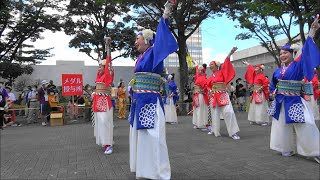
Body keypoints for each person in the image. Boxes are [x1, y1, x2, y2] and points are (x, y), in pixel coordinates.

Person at [129, 1, 178, 179]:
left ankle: (160, 172)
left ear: (148, 40)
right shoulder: (141, 56)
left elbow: (162, 36)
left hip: (150, 99)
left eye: (138, 38)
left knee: (154, 135)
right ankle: (145, 170)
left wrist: (166, 13)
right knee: (141, 135)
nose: (136, 42)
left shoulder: (154, 52)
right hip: (139, 100)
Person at [268, 14, 320, 163]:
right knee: (280, 125)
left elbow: (305, 50)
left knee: (305, 123)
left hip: (295, 100)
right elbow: (273, 84)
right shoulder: (277, 71)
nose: (282, 55)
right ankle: (285, 148)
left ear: (292, 54)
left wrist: (312, 31)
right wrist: (273, 92)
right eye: (280, 54)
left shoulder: (298, 64)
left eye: (285, 53)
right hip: (280, 100)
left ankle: (313, 150)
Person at [206, 47, 240, 140]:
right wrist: (209, 90)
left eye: (212, 64)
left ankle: (233, 132)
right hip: (214, 95)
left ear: (216, 65)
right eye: (210, 64)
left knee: (228, 112)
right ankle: (215, 130)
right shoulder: (210, 77)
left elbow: (226, 63)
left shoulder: (221, 72)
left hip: (222, 94)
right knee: (214, 114)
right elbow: (208, 86)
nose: (210, 65)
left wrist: (230, 53)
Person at [92, 37, 114, 155]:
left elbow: (108, 61)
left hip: (105, 102)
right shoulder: (98, 76)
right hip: (97, 102)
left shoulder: (107, 75)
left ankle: (108, 144)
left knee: (105, 122)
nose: (99, 68)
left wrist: (107, 46)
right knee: (100, 123)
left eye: (101, 66)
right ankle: (104, 142)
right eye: (99, 66)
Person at [191, 62, 209, 129]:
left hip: (200, 95)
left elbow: (206, 87)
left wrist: (202, 90)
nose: (198, 71)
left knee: (200, 108)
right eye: (198, 70)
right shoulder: (199, 77)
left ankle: (201, 123)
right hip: (197, 95)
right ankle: (197, 123)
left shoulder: (203, 78)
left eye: (199, 70)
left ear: (202, 70)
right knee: (197, 108)